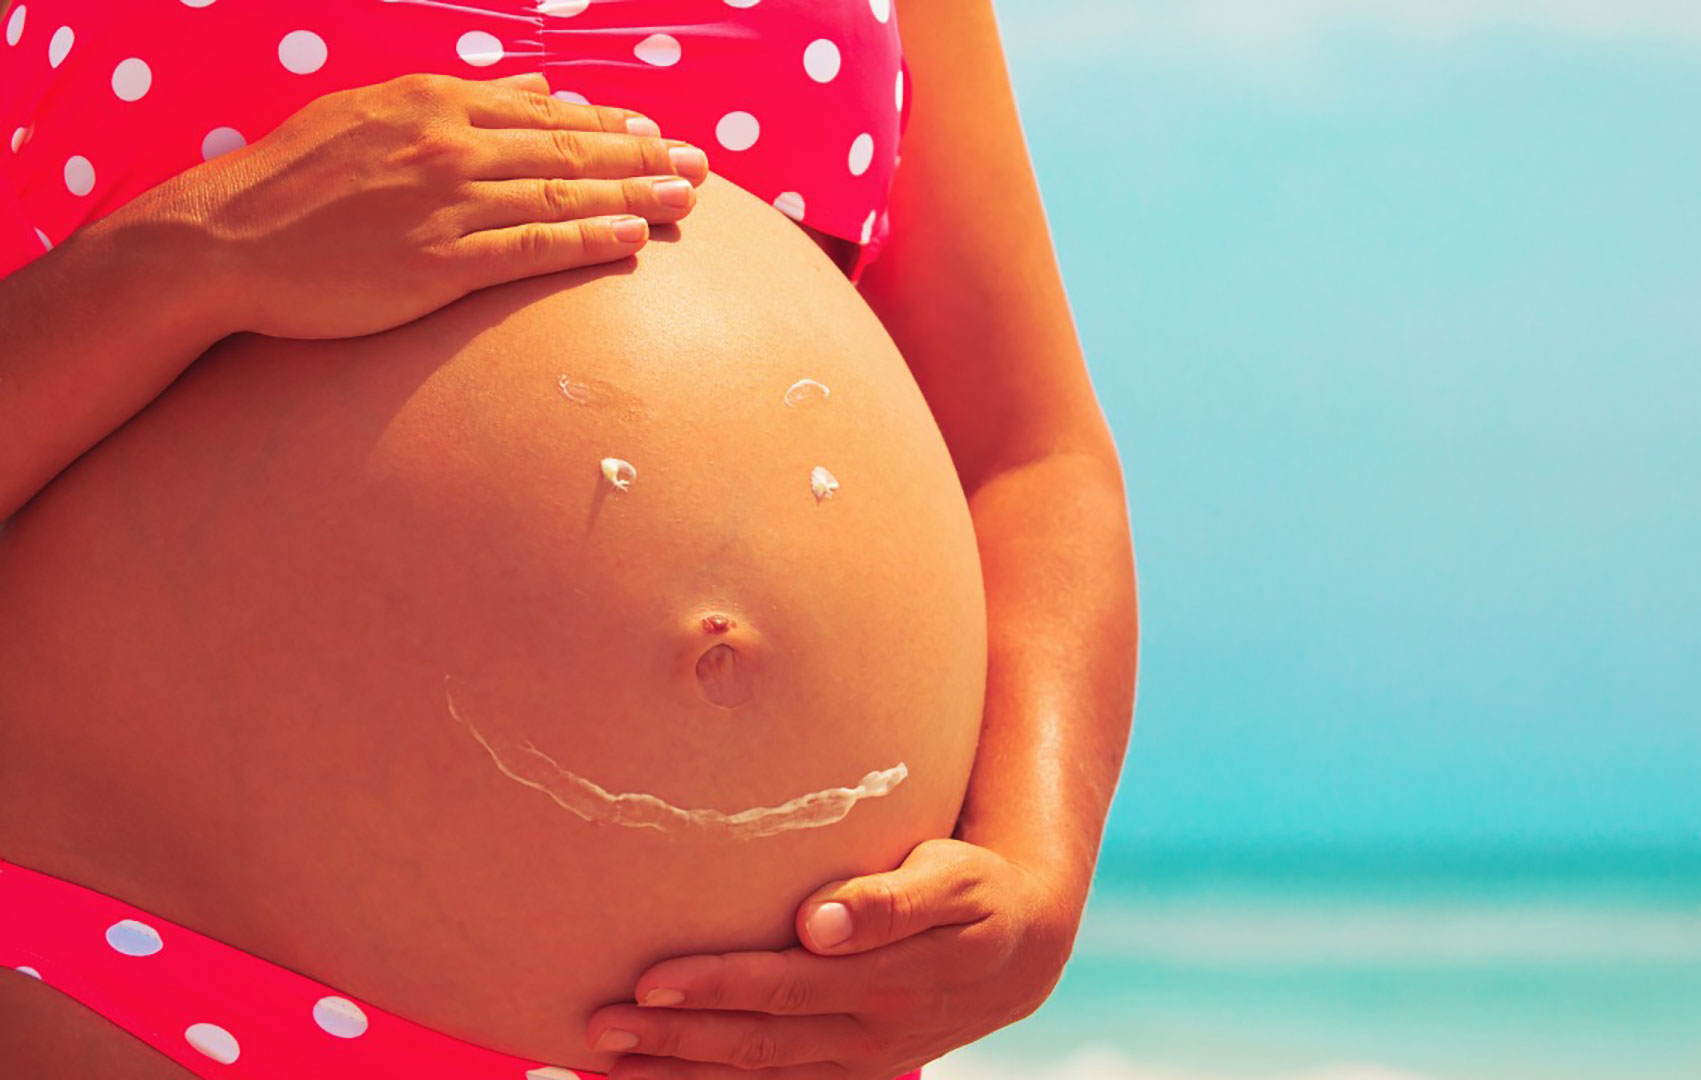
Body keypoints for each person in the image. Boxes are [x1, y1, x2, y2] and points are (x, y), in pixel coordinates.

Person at [0, 2, 1138, 1078]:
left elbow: (1025, 454)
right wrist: (194, 248)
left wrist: (1036, 870)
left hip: (786, 1020)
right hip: (131, 963)